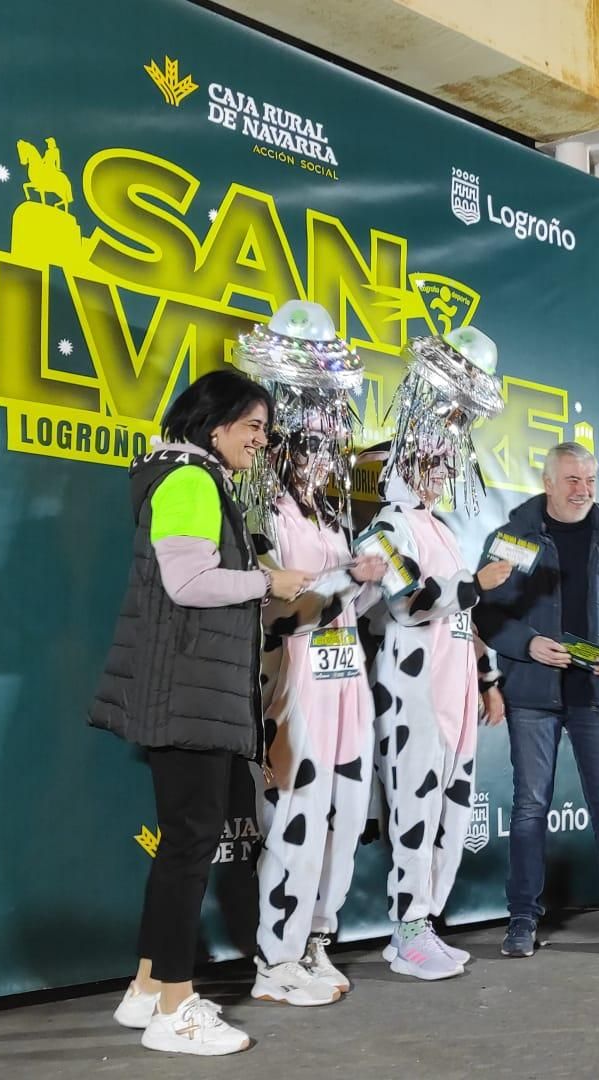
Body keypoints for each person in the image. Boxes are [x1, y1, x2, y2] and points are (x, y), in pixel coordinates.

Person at [89, 369, 312, 1056]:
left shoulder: (194, 477)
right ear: (215, 426)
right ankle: (176, 1009)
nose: (261, 440)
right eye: (253, 426)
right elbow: (188, 583)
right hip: (187, 694)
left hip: (189, 692)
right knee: (189, 847)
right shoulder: (189, 480)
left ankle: (149, 988)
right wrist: (268, 581)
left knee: (182, 845)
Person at [232, 301, 388, 1007]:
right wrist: (343, 582)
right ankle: (276, 957)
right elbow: (275, 606)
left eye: (330, 447)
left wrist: (367, 582)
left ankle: (317, 939)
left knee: (346, 818)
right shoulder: (259, 511)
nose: (324, 459)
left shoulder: (329, 514)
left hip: (347, 681)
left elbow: (346, 603)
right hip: (291, 684)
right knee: (294, 822)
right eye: (312, 446)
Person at [363, 326, 514, 980]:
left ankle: (425, 924)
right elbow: (408, 602)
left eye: (446, 462)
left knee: (451, 812)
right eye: (431, 462)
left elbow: (463, 616)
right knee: (415, 811)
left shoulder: (444, 528)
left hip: (455, 693)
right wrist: (474, 585)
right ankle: (407, 932)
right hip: (412, 692)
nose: (442, 472)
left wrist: (488, 678)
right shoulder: (386, 526)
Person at [477, 441, 599, 958]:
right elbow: (486, 611)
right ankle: (521, 919)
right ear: (548, 484)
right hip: (533, 695)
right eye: (572, 480)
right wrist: (528, 645)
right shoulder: (512, 537)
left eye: (590, 480)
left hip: (597, 693)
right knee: (530, 807)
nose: (583, 490)